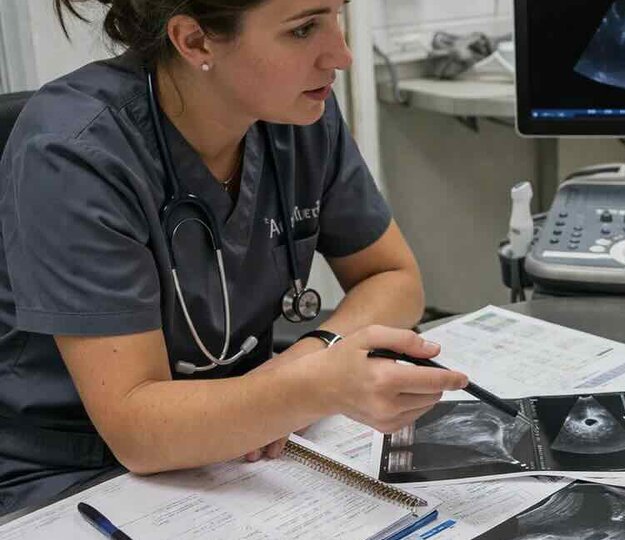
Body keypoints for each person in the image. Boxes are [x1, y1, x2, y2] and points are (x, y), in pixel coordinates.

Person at [0, 0, 469, 515]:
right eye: (304, 29)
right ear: (195, 41)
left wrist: (303, 366)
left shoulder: (296, 113)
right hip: (73, 475)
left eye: (337, 16)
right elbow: (136, 430)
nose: (341, 55)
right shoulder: (76, 152)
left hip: (244, 448)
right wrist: (303, 391)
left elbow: (394, 277)